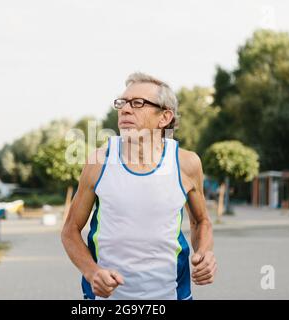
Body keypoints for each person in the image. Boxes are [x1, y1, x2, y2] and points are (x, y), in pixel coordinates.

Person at [61, 72, 216, 300]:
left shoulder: (187, 164)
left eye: (137, 103)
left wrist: (204, 253)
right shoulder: (98, 162)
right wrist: (92, 273)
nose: (124, 109)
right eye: (122, 103)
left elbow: (201, 221)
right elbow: (70, 231)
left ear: (164, 117)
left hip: (173, 295)